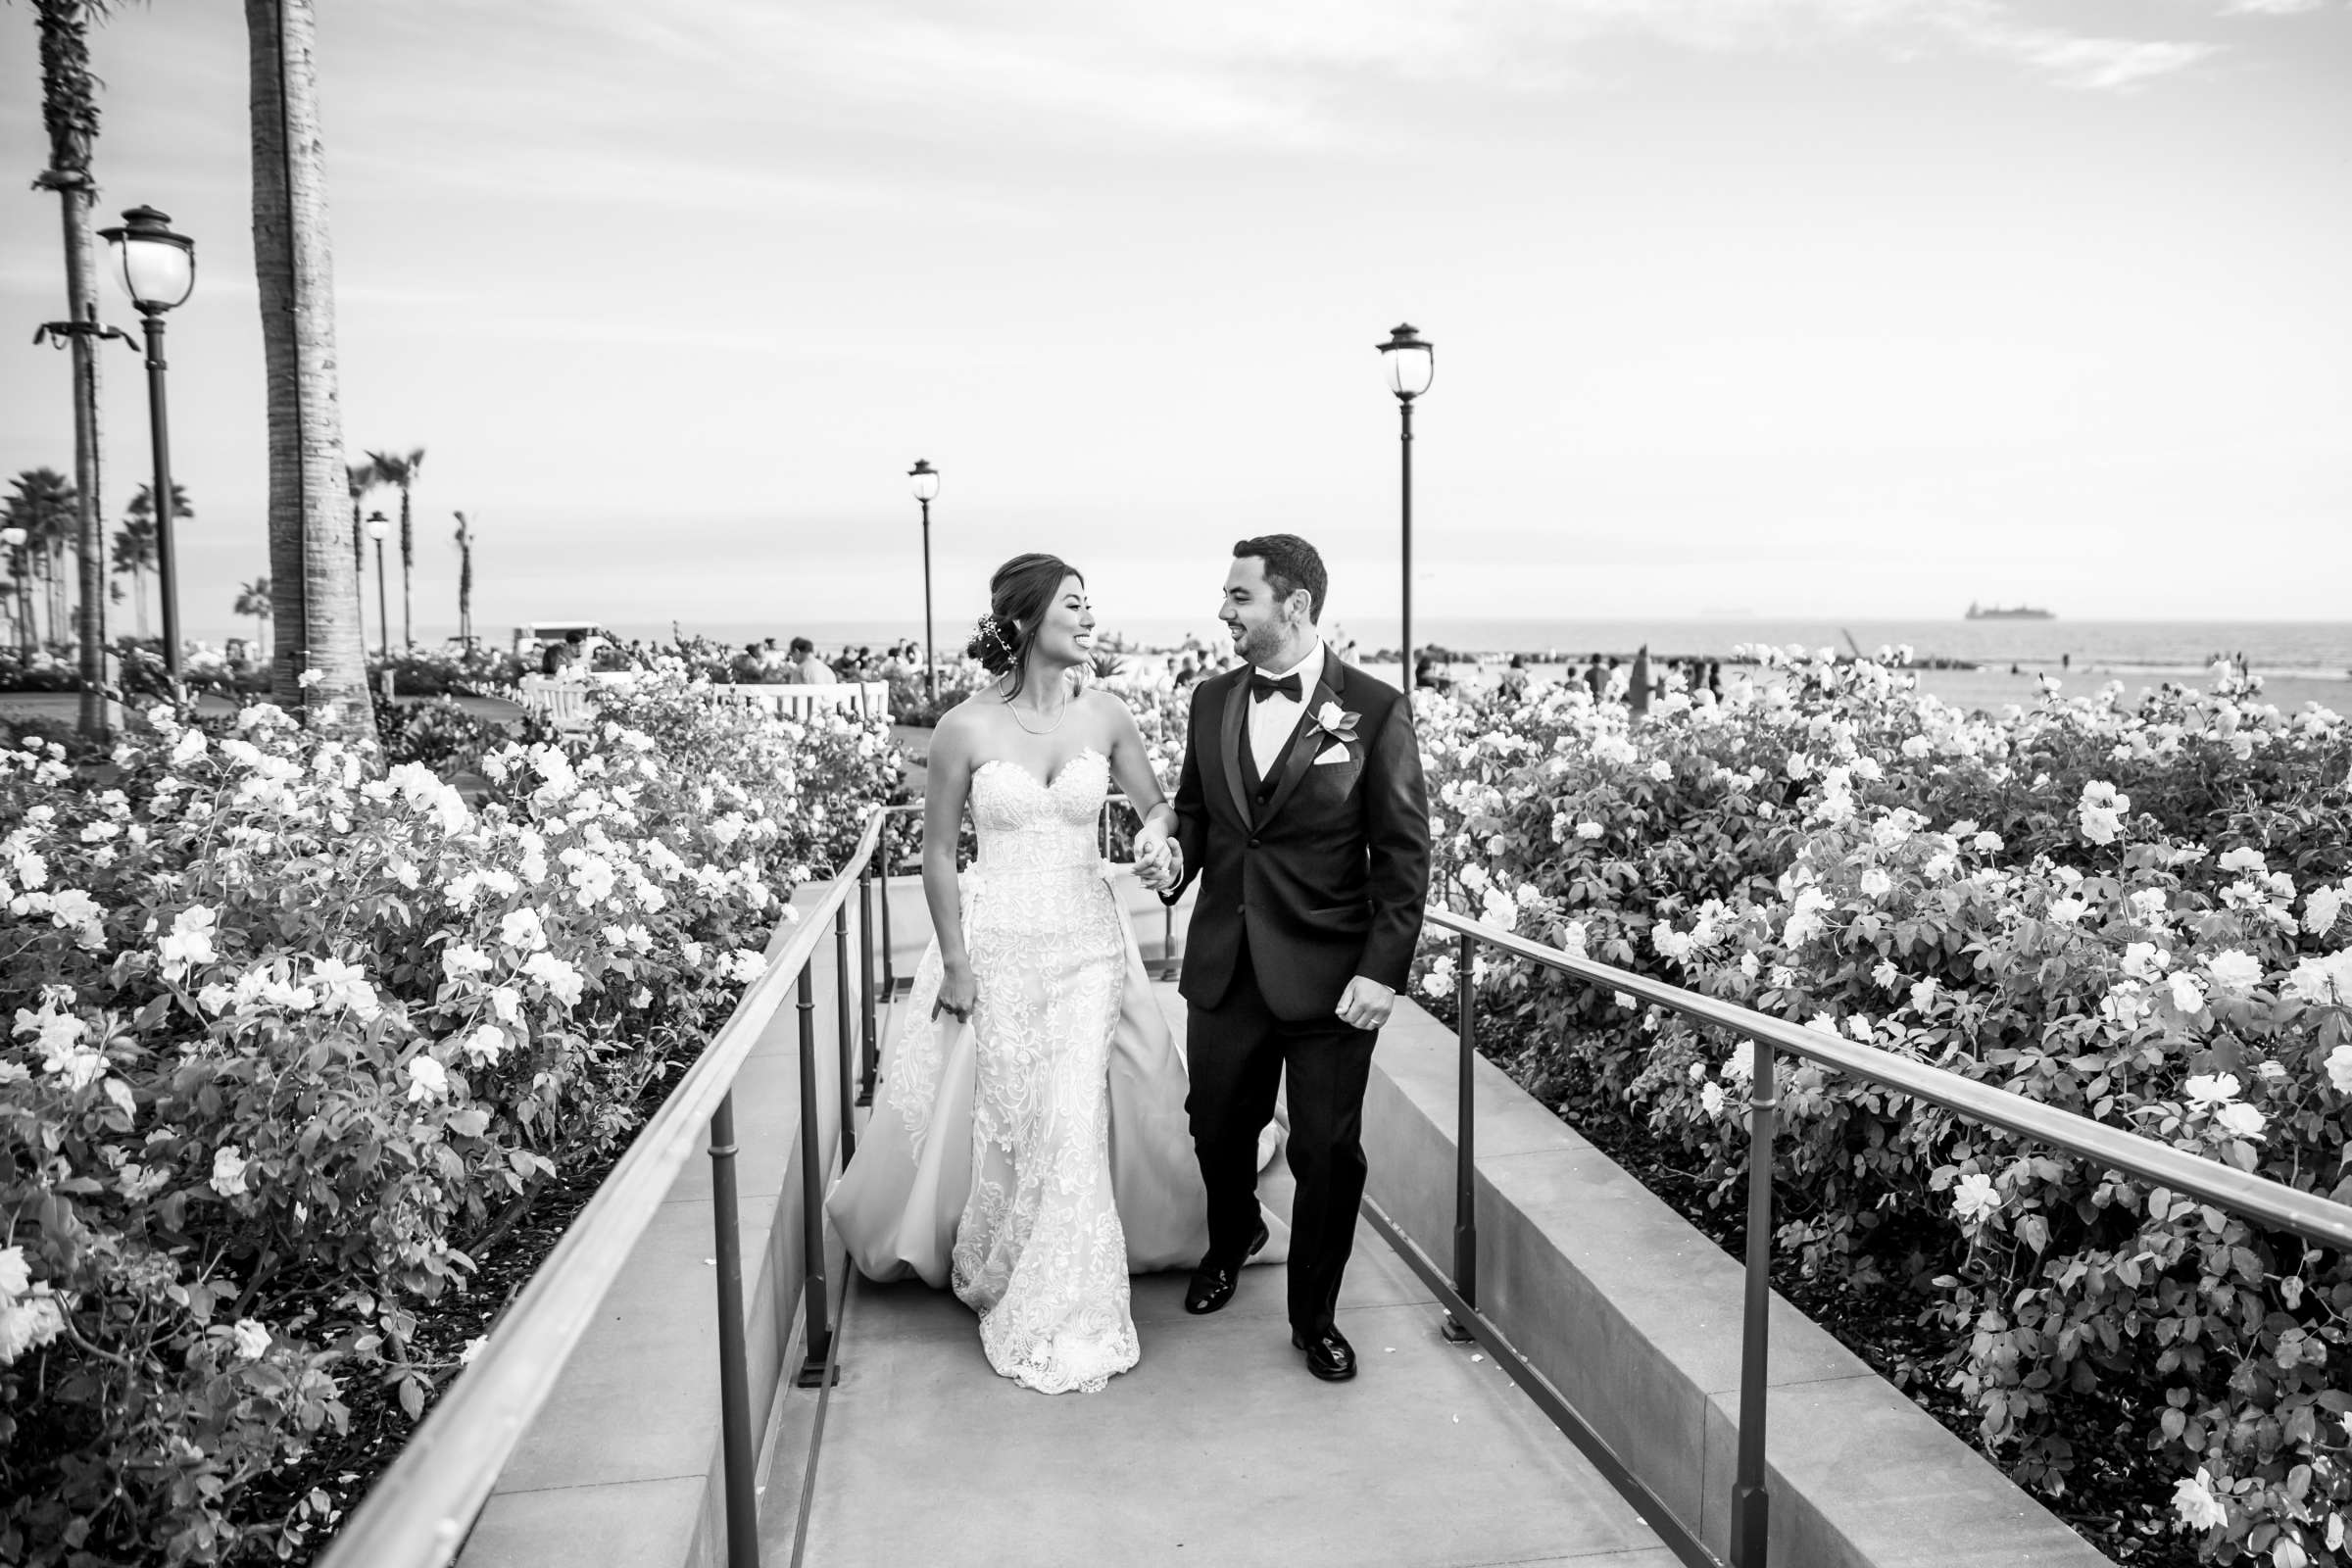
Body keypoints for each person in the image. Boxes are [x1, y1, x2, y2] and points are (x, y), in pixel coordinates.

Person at [827, 554, 1287, 1395]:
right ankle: (1007, 1262)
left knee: (1074, 1115)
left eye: (1089, 605)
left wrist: (1157, 840)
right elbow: (934, 856)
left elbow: (1159, 806)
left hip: (1087, 947)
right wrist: (957, 962)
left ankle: (1074, 1305)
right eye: (1074, 606)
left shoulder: (1106, 713)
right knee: (1021, 1116)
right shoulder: (964, 728)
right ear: (1029, 619)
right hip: (996, 947)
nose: (1089, 618)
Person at [1155, 534, 1431, 1383]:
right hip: (1227, 968)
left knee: (1325, 1153)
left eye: (1239, 597)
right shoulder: (1210, 700)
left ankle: (1315, 1316)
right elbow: (1198, 814)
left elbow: (1404, 853)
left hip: (1333, 980)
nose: (1224, 611)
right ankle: (1232, 1231)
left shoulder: (1377, 712)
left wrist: (1382, 973)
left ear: (1295, 606)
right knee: (1217, 1127)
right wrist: (1174, 858)